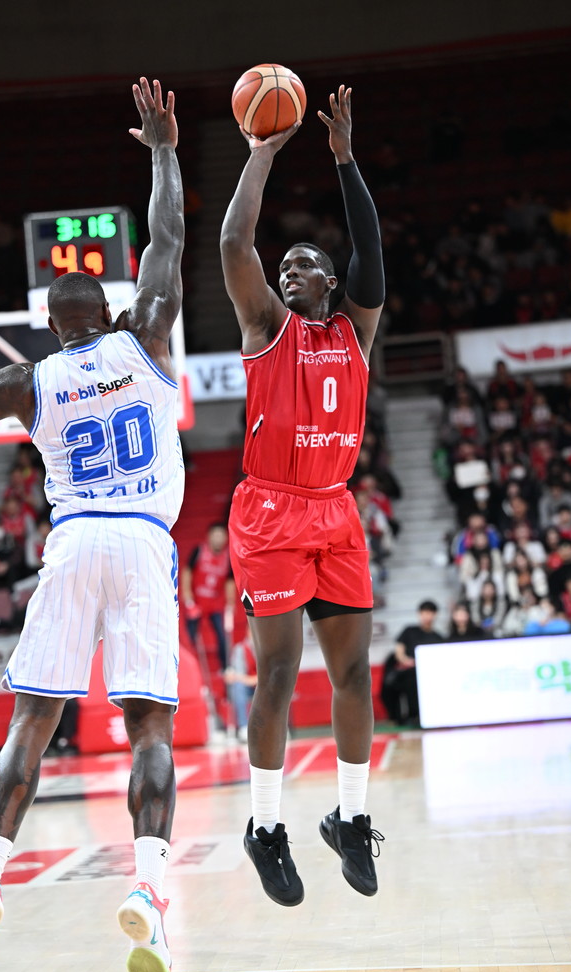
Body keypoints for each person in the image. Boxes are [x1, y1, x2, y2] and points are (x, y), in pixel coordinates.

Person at [0, 79, 184, 972]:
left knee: (32, 720)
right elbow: (169, 241)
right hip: (141, 541)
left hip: (70, 545)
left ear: (47, 324)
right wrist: (162, 150)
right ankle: (148, 893)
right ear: (105, 311)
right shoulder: (145, 335)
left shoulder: (26, 382)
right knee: (149, 728)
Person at [220, 84, 385, 906]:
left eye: (304, 264)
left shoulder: (355, 329)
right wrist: (260, 154)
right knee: (280, 674)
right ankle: (265, 826)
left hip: (335, 508)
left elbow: (371, 251)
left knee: (354, 674)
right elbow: (234, 241)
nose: (289, 271)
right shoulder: (264, 327)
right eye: (283, 266)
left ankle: (351, 818)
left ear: (330, 281)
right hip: (271, 510)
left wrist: (346, 159)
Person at [180, 521, 234, 670]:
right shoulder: (199, 551)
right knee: (190, 637)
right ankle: (189, 668)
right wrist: (188, 598)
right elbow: (187, 572)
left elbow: (230, 581)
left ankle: (225, 668)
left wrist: (230, 604)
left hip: (215, 604)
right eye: (215, 535)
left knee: (222, 636)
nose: (218, 539)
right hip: (196, 602)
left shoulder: (228, 557)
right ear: (209, 536)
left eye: (221, 536)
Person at [381, 600, 444, 725]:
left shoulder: (438, 638)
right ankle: (400, 717)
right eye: (424, 612)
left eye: (429, 613)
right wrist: (406, 661)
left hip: (427, 673)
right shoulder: (409, 631)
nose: (426, 616)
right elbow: (399, 651)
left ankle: (417, 715)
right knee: (403, 680)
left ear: (435, 614)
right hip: (407, 670)